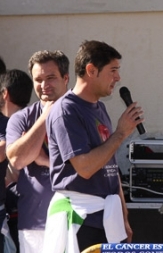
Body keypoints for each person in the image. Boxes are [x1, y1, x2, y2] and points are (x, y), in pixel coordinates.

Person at [43, 40, 141, 253]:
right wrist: (121, 133)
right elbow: (85, 168)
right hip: (82, 218)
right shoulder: (65, 111)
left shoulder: (99, 108)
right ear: (91, 70)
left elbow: (110, 167)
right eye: (112, 70)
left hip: (107, 217)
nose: (118, 77)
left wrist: (123, 215)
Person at [6, 51, 69, 253]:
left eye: (50, 77)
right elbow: (17, 159)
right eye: (38, 80)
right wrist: (45, 116)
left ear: (66, 78)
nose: (44, 85)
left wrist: (44, 160)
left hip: (77, 220)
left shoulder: (82, 113)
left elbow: (89, 167)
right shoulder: (21, 118)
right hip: (35, 224)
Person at [0, 69, 33, 253]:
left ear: (5, 93)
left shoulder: (9, 122)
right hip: (30, 207)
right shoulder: (34, 119)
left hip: (13, 208)